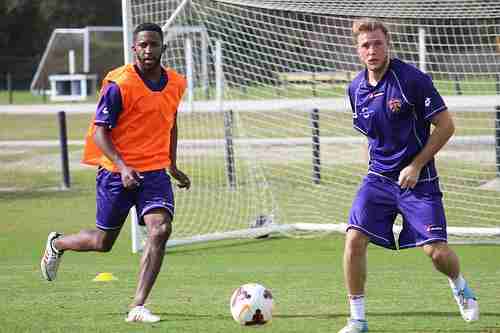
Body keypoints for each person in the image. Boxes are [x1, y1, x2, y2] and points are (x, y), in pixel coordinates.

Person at [40, 22, 191, 323]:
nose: (149, 50)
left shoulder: (176, 83)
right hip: (115, 172)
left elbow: (170, 124)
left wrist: (172, 165)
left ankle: (138, 306)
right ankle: (57, 244)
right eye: (143, 45)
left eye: (154, 44)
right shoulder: (119, 83)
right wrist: (122, 167)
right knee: (102, 242)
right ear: (134, 48)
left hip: (154, 173)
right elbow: (99, 134)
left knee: (160, 229)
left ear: (163, 48)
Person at [339, 18, 479, 333]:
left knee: (437, 253)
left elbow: (446, 127)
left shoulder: (412, 80)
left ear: (387, 44)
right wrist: (373, 174)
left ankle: (458, 285)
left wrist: (415, 165)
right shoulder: (355, 89)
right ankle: (357, 319)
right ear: (358, 51)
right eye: (365, 45)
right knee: (354, 239)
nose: (372, 50)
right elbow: (372, 136)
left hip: (420, 181)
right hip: (378, 179)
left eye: (377, 43)